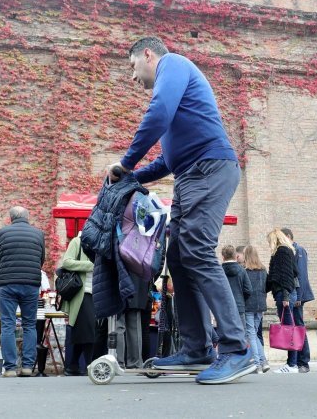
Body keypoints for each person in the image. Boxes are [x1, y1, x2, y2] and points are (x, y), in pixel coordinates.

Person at [107, 36, 255, 384]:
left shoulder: (173, 65)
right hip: (192, 172)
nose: (132, 77)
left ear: (148, 55)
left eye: (132, 67)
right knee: (178, 258)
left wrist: (126, 164)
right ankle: (197, 348)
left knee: (197, 251)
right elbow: (168, 160)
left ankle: (236, 348)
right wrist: (133, 177)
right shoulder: (175, 97)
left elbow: (157, 114)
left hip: (209, 168)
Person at [0, 206, 46, 377]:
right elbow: (41, 259)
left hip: (8, 283)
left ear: (11, 217)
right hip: (31, 283)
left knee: (8, 324)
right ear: (28, 217)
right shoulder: (38, 234)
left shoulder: (2, 233)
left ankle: (10, 368)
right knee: (30, 324)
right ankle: (28, 366)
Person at [59, 235, 96, 376]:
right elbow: (67, 262)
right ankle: (90, 366)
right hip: (82, 293)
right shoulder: (77, 241)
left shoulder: (101, 244)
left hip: (97, 293)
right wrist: (91, 265)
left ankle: (72, 365)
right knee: (89, 329)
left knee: (83, 330)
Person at [266, 229, 301, 374]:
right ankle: (292, 364)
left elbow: (286, 275)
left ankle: (292, 365)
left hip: (284, 294)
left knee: (289, 330)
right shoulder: (287, 251)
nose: (269, 243)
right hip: (285, 293)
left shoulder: (282, 251)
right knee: (289, 328)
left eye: (270, 240)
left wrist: (286, 296)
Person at [281, 228, 313, 373]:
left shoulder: (298, 250)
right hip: (293, 294)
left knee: (299, 327)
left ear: (288, 236)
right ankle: (294, 361)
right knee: (293, 328)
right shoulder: (289, 250)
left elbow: (301, 275)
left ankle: (303, 362)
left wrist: (299, 296)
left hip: (297, 296)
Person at [243, 245, 269, 373]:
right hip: (260, 305)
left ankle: (257, 364)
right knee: (254, 335)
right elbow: (267, 287)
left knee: (251, 334)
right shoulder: (263, 270)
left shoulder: (245, 270)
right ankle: (263, 362)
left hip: (248, 305)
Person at [221, 245, 252, 331]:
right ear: (236, 256)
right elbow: (248, 290)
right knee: (241, 334)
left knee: (225, 333)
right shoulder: (242, 270)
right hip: (239, 306)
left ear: (223, 257)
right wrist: (241, 299)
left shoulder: (219, 271)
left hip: (223, 307)